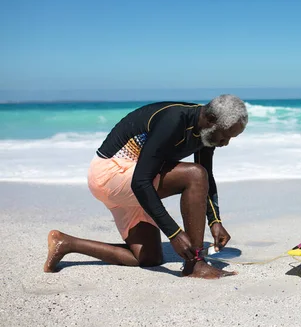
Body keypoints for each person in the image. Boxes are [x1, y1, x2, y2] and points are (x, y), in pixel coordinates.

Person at [43, 94, 248, 279]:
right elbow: (141, 181)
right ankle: (195, 264)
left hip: (134, 180)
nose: (225, 143)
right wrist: (174, 233)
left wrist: (215, 221)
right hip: (110, 174)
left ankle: (66, 243)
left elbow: (207, 175)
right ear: (211, 120)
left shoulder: (205, 131)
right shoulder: (174, 121)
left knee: (148, 257)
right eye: (225, 135)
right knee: (194, 175)